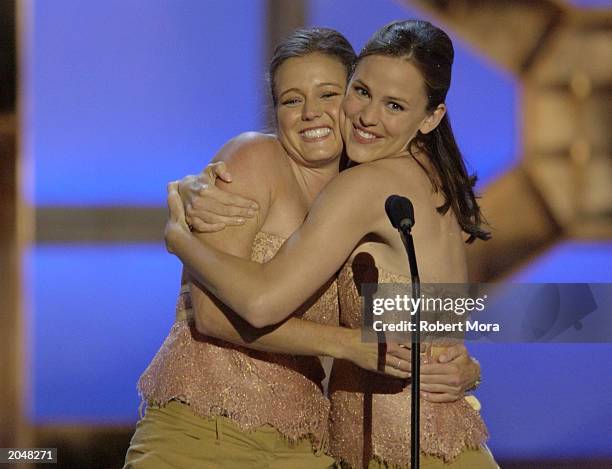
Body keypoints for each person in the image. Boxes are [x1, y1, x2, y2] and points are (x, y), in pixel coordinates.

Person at [125, 27, 478, 469]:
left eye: (329, 94)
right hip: (203, 434)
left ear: (429, 117)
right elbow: (214, 316)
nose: (312, 113)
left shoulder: (373, 190)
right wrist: (350, 344)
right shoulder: (254, 158)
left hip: (319, 449)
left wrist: (458, 361)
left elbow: (427, 317)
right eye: (291, 100)